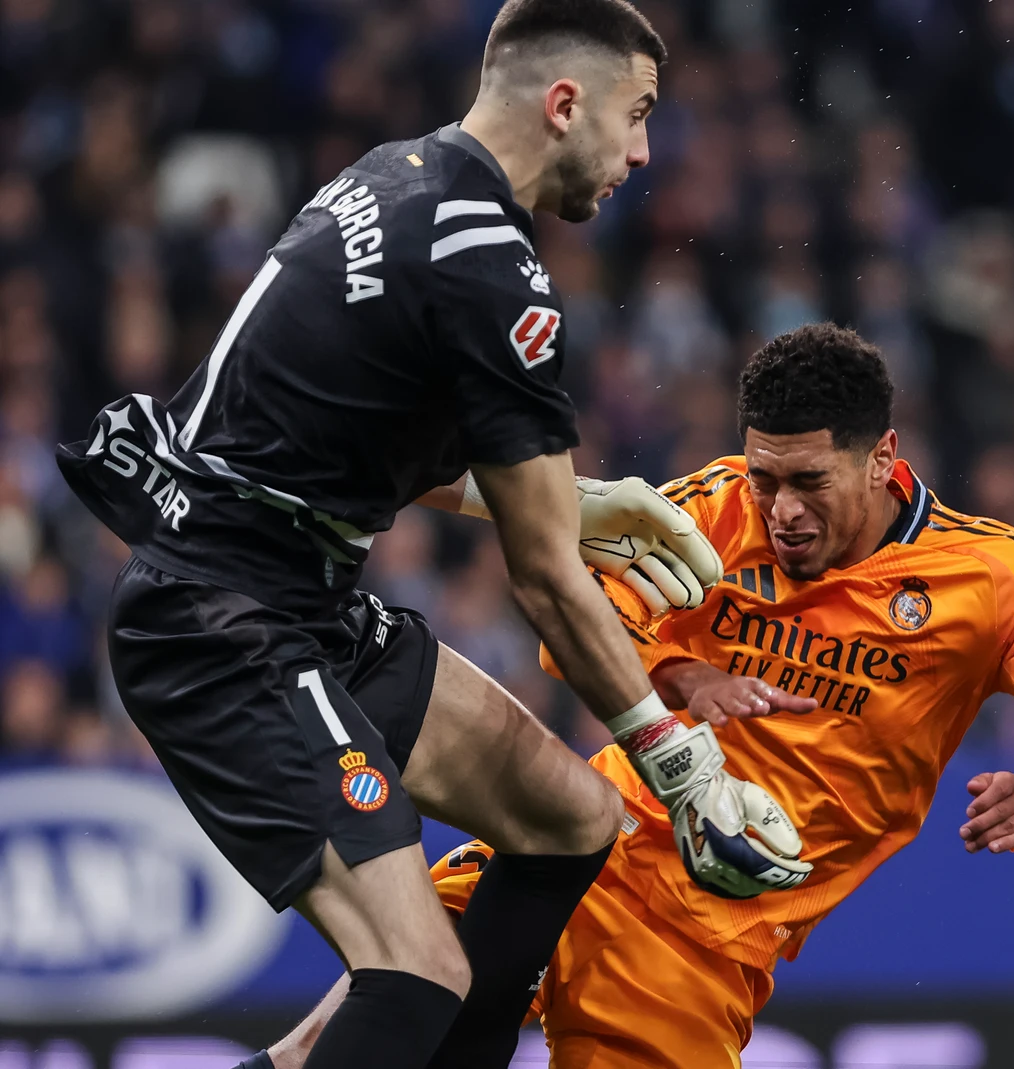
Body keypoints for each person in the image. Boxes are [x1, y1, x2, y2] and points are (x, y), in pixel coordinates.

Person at [55, 4, 808, 1069]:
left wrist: (572, 499)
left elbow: (324, 438)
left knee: (570, 818)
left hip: (282, 588)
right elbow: (545, 582)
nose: (642, 151)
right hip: (230, 625)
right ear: (564, 105)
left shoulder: (392, 175)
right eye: (635, 116)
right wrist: (677, 761)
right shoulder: (491, 268)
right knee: (413, 975)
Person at [257, 323, 1014, 1069]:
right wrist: (681, 674)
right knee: (363, 1026)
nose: (779, 509)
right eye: (764, 475)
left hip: (706, 936)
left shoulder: (996, 578)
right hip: (583, 844)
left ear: (882, 457)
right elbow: (573, 620)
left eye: (809, 481)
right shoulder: (711, 508)